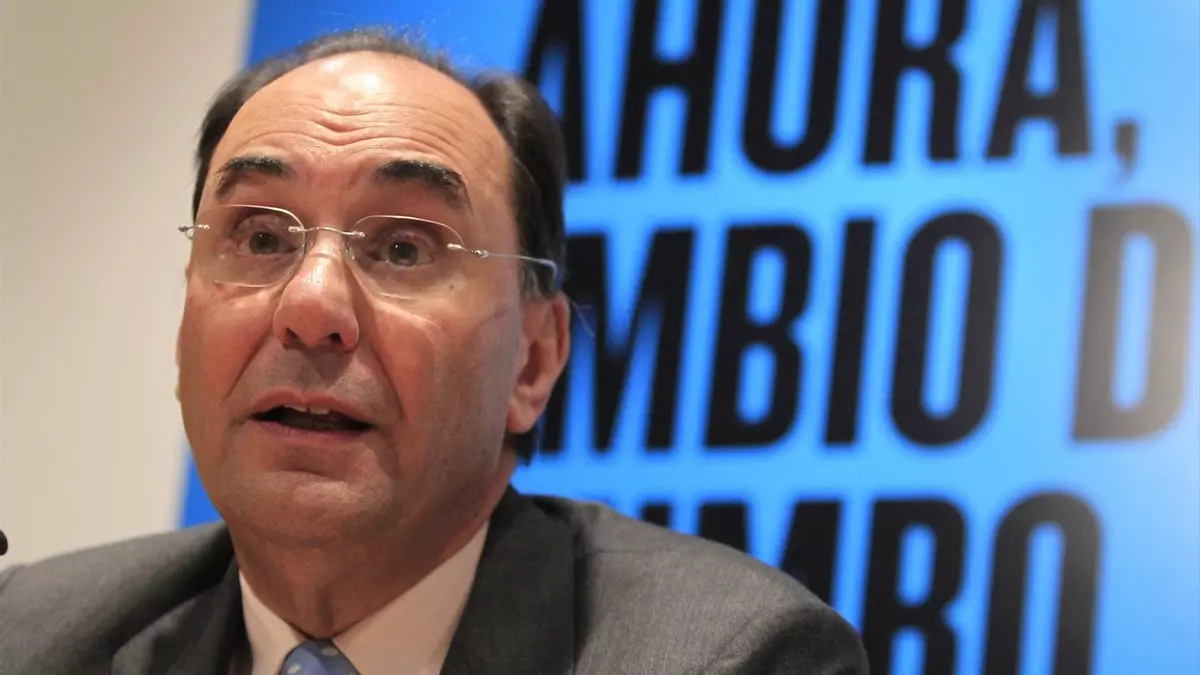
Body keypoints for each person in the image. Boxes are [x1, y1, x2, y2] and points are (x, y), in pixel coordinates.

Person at [0, 28, 869, 675]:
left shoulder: (732, 655)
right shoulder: (30, 635)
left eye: (403, 249)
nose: (310, 306)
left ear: (533, 360)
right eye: (262, 237)